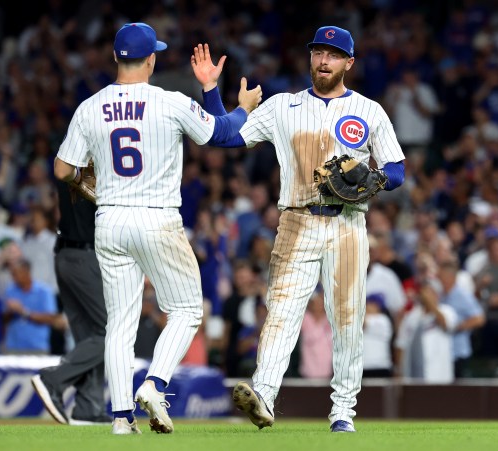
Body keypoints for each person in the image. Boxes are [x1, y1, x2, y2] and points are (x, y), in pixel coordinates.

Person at [191, 25, 406, 432]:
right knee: (281, 312)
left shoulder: (369, 110)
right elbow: (223, 135)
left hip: (347, 223)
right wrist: (210, 92)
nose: (323, 60)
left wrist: (371, 176)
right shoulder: (281, 107)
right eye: (317, 53)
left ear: (348, 62)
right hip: (296, 219)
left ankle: (343, 410)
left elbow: (397, 170)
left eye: (332, 54)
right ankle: (264, 395)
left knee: (347, 317)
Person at [53, 22, 262, 435]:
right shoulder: (169, 101)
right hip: (157, 217)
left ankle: (118, 419)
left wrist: (84, 179)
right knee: (185, 310)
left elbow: (62, 169)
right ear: (151, 59)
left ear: (116, 57)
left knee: (119, 324)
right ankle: (153, 384)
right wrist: (238, 104)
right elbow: (222, 133)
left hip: (109, 220)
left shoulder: (90, 106)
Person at [31, 181, 109, 426]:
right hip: (86, 257)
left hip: (65, 255)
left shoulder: (68, 162)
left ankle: (89, 407)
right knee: (112, 332)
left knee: (89, 335)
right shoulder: (99, 167)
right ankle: (53, 379)